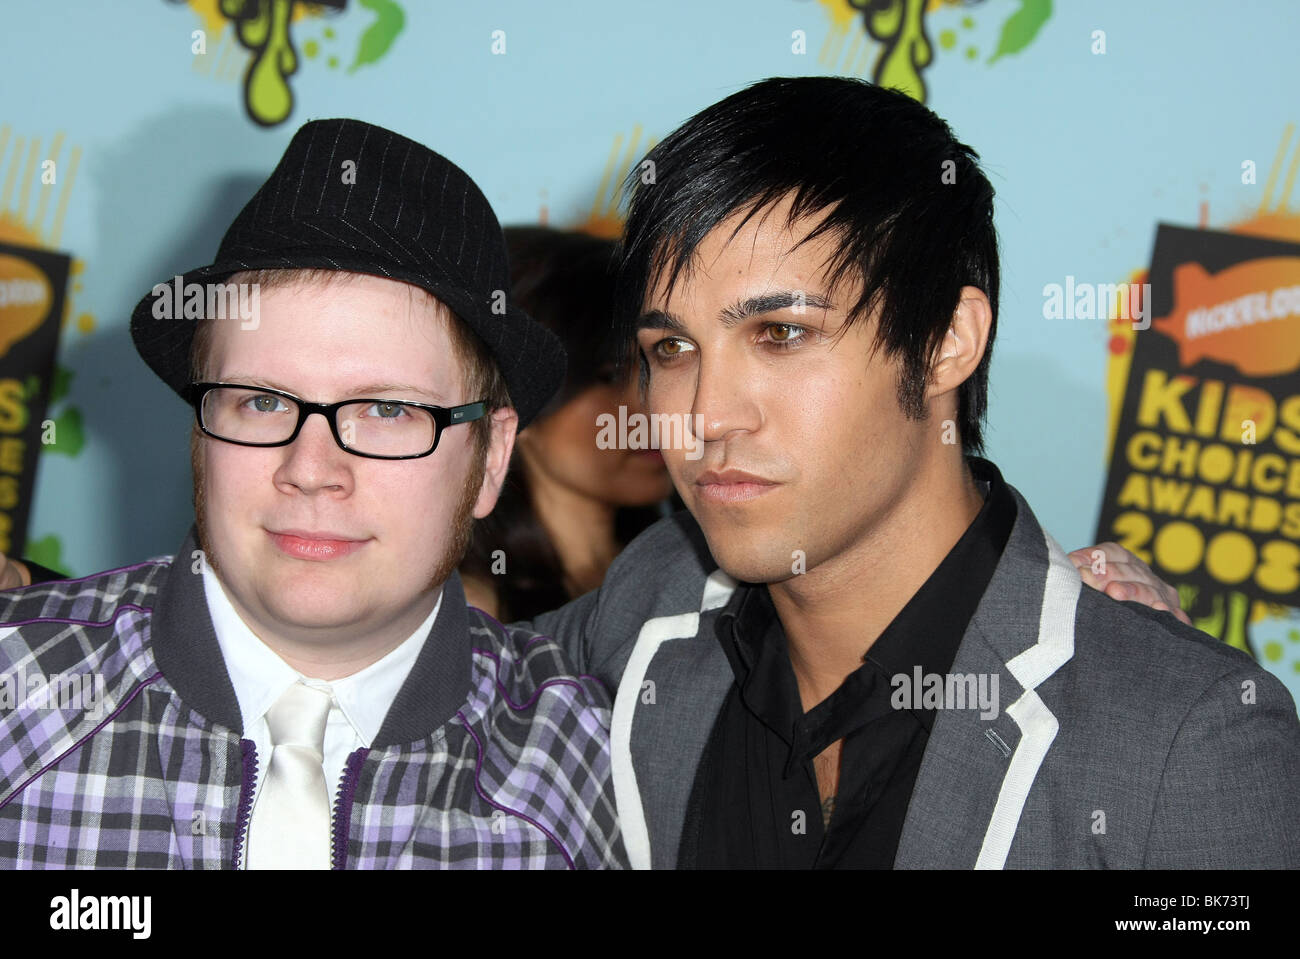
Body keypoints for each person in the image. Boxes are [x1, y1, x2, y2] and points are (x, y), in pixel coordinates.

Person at [524, 76, 1300, 868]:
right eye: (671, 349)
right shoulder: (646, 606)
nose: (706, 414)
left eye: (781, 333)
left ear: (946, 341)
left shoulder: (1184, 739)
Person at [0, 118, 625, 869]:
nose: (312, 466)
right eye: (262, 401)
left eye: (388, 410)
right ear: (201, 434)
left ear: (490, 457)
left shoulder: (600, 770)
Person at [460, 227, 675, 622]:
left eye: (664, 362)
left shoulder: (696, 579)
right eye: (609, 375)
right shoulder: (474, 615)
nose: (654, 406)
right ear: (517, 393)